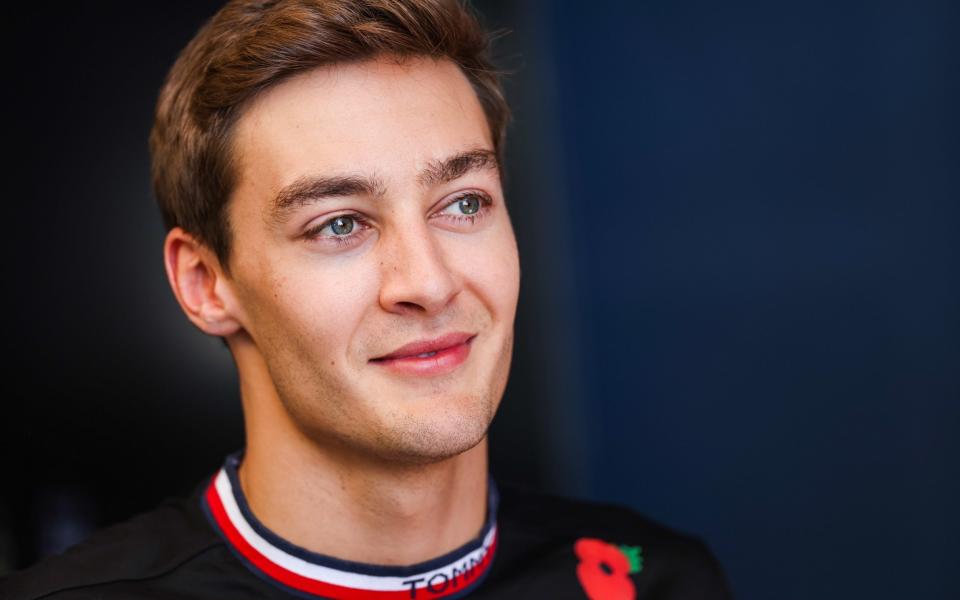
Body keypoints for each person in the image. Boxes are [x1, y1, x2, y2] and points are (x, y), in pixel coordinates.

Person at [2, 1, 733, 598]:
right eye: (340, 224)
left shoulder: (658, 580)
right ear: (205, 283)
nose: (429, 281)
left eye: (464, 203)